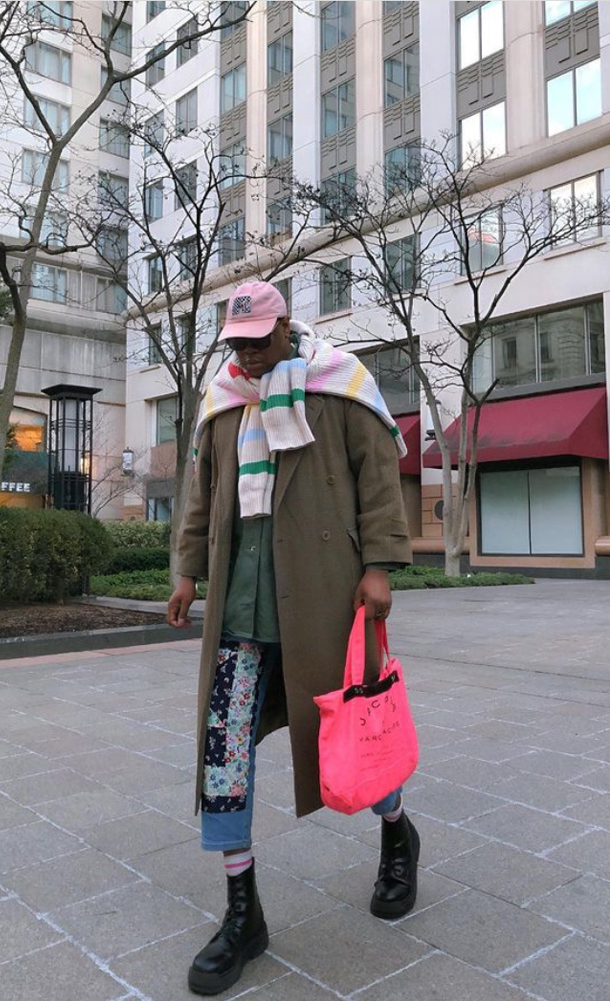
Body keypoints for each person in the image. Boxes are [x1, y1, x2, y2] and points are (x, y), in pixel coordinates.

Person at [167, 280, 419, 996]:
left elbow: (378, 478)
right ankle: (243, 913)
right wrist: (187, 572)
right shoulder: (220, 402)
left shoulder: (340, 385)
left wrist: (378, 566)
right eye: (236, 344)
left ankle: (397, 832)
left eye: (257, 342)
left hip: (322, 600)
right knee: (223, 758)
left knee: (355, 735)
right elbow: (200, 494)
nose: (245, 357)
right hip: (239, 613)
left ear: (285, 329)